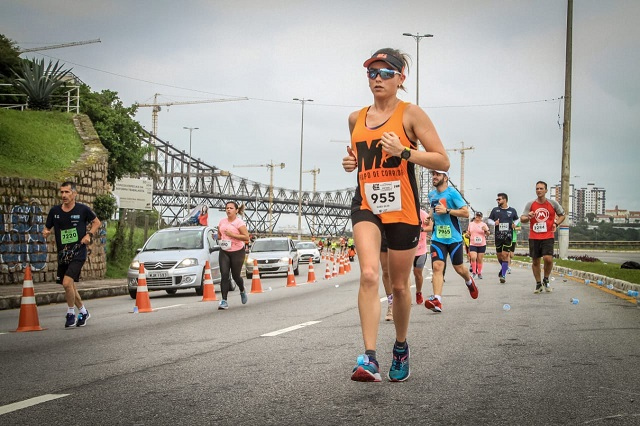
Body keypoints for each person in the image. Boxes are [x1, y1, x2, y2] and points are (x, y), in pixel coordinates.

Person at [343, 47, 449, 382]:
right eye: (372, 72)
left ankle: (400, 346)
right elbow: (361, 158)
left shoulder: (410, 115)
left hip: (402, 209)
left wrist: (404, 151)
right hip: (367, 205)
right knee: (371, 275)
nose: (377, 78)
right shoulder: (355, 118)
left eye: (385, 72)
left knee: (401, 287)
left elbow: (442, 160)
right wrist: (351, 164)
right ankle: (369, 357)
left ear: (401, 78)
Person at [43, 181, 101, 328]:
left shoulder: (82, 210)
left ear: (74, 194)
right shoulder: (55, 211)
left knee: (67, 283)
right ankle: (83, 311)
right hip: (63, 254)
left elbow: (96, 223)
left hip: (78, 252)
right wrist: (46, 232)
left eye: (67, 192)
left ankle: (70, 314)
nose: (64, 195)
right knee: (70, 287)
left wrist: (89, 235)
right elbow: (47, 228)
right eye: (62, 192)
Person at [424, 170, 479, 313]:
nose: (434, 177)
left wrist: (448, 210)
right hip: (437, 238)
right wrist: (429, 218)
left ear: (446, 177)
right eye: (433, 174)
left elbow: (466, 213)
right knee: (437, 267)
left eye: (437, 174)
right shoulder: (432, 194)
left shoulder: (452, 193)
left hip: (453, 238)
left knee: (459, 268)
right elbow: (433, 208)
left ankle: (469, 281)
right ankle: (437, 300)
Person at [520, 181, 566, 293]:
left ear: (546, 190)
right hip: (534, 236)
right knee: (535, 261)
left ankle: (546, 278)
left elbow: (562, 215)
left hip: (548, 235)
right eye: (537, 189)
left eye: (541, 188)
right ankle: (538, 283)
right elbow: (522, 219)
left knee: (548, 258)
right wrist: (529, 217)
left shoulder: (553, 203)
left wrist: (556, 223)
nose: (539, 190)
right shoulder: (530, 204)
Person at [217, 201, 251, 309]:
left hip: (237, 251)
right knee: (224, 275)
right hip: (224, 251)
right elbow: (219, 235)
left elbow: (246, 237)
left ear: (236, 210)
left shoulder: (239, 223)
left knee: (236, 276)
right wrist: (218, 238)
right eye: (227, 208)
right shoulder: (222, 222)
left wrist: (232, 235)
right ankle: (224, 301)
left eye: (231, 208)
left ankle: (242, 289)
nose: (228, 210)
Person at [488, 193, 518, 283]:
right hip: (498, 237)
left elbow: (517, 219)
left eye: (499, 199)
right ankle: (503, 268)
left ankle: (503, 275)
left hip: (508, 236)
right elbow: (489, 220)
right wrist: (494, 223)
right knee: (499, 256)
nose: (498, 201)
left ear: (505, 200)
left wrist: (514, 224)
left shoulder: (512, 210)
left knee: (505, 255)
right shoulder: (495, 210)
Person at [466, 211, 490, 279]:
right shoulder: (471, 224)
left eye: (479, 216)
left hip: (482, 244)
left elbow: (488, 233)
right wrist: (467, 234)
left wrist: (486, 230)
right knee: (473, 257)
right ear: (475, 216)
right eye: (477, 216)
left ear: (481, 217)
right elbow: (468, 232)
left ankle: (479, 272)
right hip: (473, 243)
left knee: (479, 259)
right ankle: (474, 272)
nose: (478, 218)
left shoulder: (484, 224)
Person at [413, 209, 430, 306]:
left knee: (417, 273)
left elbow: (432, 226)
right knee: (404, 275)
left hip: (420, 250)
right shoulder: (404, 211)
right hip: (406, 249)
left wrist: (421, 229)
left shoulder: (423, 214)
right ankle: (405, 296)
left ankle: (418, 292)